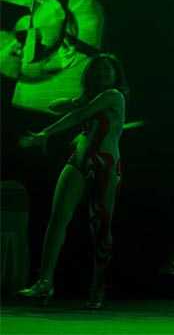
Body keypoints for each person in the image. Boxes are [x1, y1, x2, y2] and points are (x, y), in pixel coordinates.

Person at [18, 54, 127, 309]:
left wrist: (46, 132)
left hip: (105, 165)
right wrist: (76, 100)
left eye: (107, 69)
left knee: (100, 228)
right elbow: (58, 106)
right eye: (97, 69)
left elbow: (77, 116)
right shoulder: (89, 99)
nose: (102, 73)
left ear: (115, 75)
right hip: (78, 161)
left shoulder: (114, 96)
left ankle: (97, 287)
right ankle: (44, 281)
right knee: (58, 218)